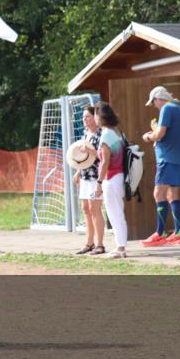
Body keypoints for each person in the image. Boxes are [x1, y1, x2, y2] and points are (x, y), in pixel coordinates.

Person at [141, 86, 180, 247]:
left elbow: (160, 134)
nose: (154, 106)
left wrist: (148, 136)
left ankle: (160, 234)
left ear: (158, 98)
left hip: (166, 159)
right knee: (172, 194)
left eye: (153, 102)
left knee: (158, 193)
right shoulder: (179, 109)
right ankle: (178, 233)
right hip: (178, 158)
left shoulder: (167, 108)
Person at [94, 102, 129, 259]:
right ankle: (120, 246)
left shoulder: (106, 135)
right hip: (119, 177)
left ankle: (120, 248)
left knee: (114, 214)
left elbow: (105, 161)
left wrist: (99, 182)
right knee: (118, 213)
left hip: (111, 178)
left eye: (95, 114)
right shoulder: (118, 132)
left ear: (99, 116)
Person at [72, 106, 106, 255]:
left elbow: (103, 156)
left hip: (96, 177)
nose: (84, 119)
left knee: (95, 209)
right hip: (85, 176)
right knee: (86, 209)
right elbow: (84, 158)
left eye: (87, 116)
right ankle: (89, 243)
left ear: (95, 117)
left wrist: (90, 151)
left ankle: (100, 244)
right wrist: (78, 171)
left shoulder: (101, 134)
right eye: (83, 117)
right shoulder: (86, 134)